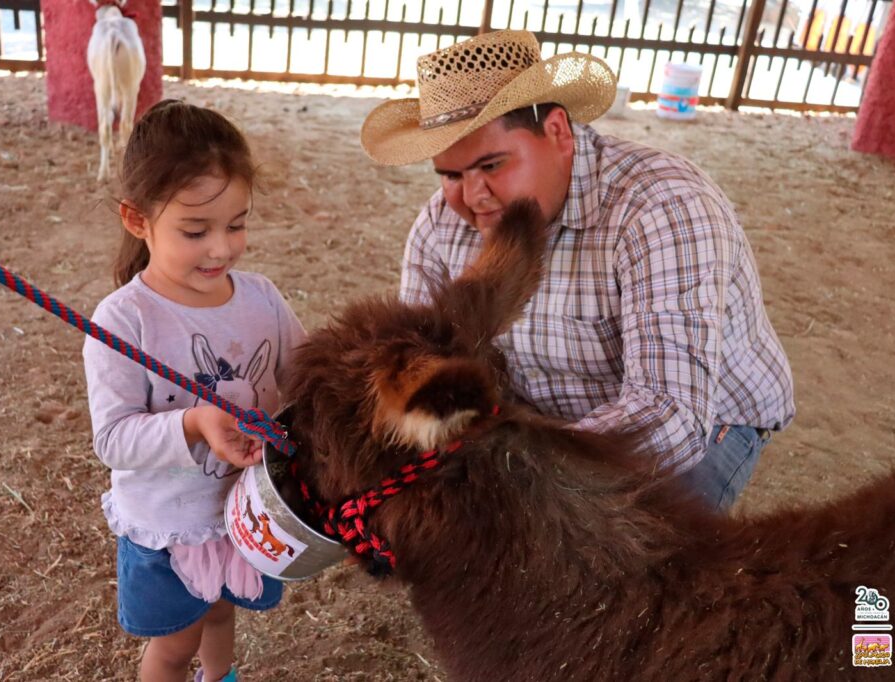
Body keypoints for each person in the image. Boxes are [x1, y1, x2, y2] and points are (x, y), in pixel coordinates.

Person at [359, 30, 795, 512]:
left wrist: (515, 469)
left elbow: (670, 416)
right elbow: (429, 365)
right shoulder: (440, 227)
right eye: (451, 175)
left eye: (492, 165)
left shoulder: (662, 207)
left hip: (709, 420)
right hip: (534, 423)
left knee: (630, 568)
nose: (472, 196)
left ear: (559, 133)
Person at [82, 100, 306, 682]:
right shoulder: (124, 320)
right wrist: (192, 423)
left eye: (237, 224)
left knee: (221, 614)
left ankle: (221, 677)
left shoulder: (260, 298)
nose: (221, 248)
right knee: (175, 646)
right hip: (169, 524)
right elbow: (113, 439)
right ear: (137, 219)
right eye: (195, 230)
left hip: (242, 512)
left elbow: (307, 374)